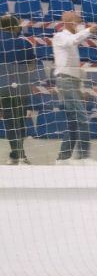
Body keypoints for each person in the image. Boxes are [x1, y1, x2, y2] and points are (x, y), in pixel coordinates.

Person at [51, 10, 97, 164]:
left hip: (72, 82)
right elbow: (72, 41)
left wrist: (80, 87)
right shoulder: (60, 37)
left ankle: (62, 158)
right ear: (69, 22)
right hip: (65, 81)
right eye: (79, 21)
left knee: (73, 121)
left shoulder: (72, 38)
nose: (81, 24)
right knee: (82, 118)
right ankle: (84, 157)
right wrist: (88, 31)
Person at [0, 14, 36, 164]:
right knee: (20, 120)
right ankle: (20, 155)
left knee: (9, 120)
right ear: (15, 27)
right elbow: (32, 65)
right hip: (21, 85)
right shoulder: (25, 43)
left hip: (3, 84)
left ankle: (16, 155)